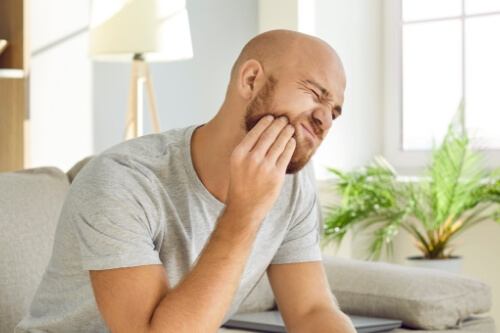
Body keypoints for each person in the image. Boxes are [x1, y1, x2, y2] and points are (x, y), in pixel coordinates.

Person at [16, 29, 354, 332]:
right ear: (250, 80)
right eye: (314, 93)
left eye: (334, 111)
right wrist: (244, 213)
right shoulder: (122, 180)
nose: (325, 119)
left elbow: (311, 311)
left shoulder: (291, 185)